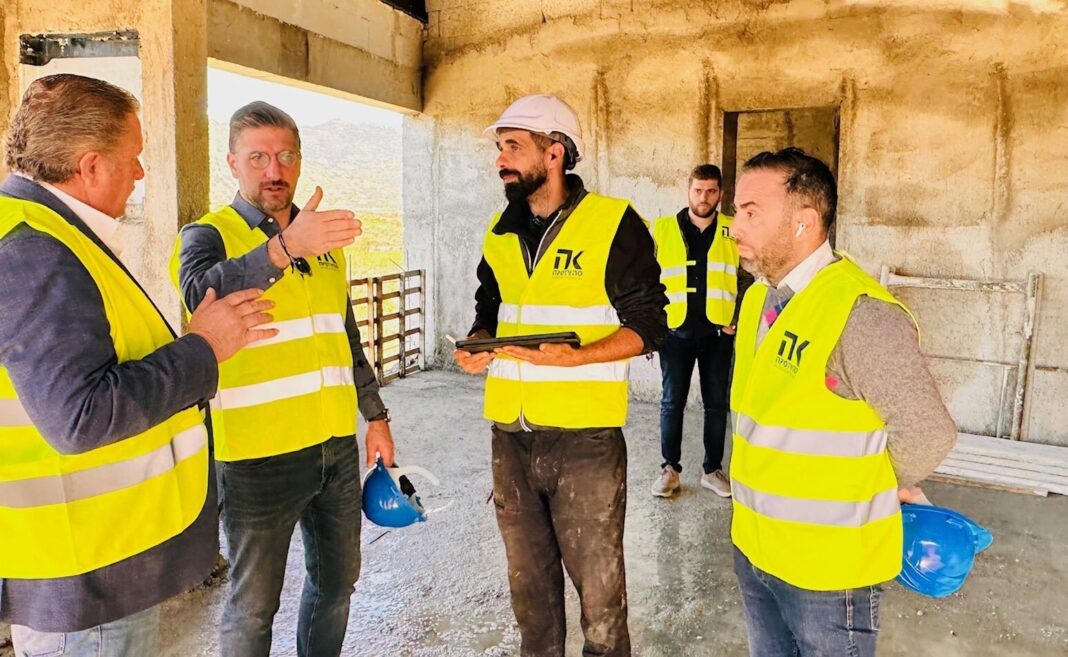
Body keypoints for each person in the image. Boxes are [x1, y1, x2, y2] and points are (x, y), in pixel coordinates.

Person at [0, 74, 273, 657]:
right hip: (87, 571)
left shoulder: (46, 233)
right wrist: (204, 347)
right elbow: (80, 416)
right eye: (134, 157)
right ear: (91, 166)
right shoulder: (36, 250)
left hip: (92, 557)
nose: (142, 172)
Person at [170, 101, 395, 657]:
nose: (275, 170)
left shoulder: (322, 244)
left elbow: (344, 334)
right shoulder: (208, 234)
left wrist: (376, 417)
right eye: (258, 157)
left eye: (286, 156)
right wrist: (285, 248)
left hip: (334, 448)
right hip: (257, 459)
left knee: (337, 585)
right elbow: (200, 293)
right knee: (253, 605)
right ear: (232, 163)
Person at [454, 94, 667, 657]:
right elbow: (488, 308)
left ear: (553, 153)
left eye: (513, 146)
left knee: (600, 600)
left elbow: (649, 325)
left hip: (585, 442)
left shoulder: (613, 224)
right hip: (511, 438)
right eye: (499, 147)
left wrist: (574, 358)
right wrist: (478, 343)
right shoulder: (499, 232)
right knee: (530, 597)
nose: (500, 159)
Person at [727, 147, 957, 657]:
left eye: (750, 213)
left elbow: (928, 432)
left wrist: (871, 486)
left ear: (804, 223)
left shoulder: (861, 314)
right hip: (755, 548)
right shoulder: (758, 298)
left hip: (827, 573)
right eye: (736, 211)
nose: (734, 228)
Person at [649, 164, 753, 498]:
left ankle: (712, 470)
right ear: (688, 191)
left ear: (720, 193)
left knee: (716, 404)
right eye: (698, 190)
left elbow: (748, 276)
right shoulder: (663, 228)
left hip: (717, 334)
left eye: (710, 191)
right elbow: (648, 279)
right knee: (671, 402)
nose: (703, 197)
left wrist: (736, 316)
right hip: (674, 331)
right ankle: (670, 470)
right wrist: (652, 325)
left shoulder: (733, 229)